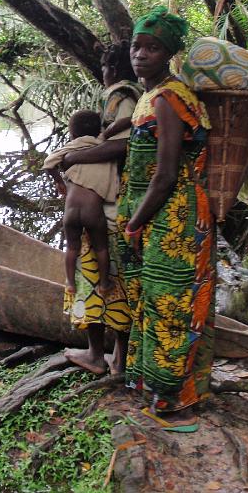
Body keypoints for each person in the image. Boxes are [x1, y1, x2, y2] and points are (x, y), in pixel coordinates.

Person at [117, 6, 215, 432]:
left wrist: (135, 222)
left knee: (171, 306)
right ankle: (155, 390)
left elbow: (166, 174)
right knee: (154, 304)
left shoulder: (170, 100)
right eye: (137, 45)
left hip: (175, 219)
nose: (140, 54)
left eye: (151, 47)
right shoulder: (149, 95)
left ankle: (178, 406)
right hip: (160, 217)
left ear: (168, 53)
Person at [56, 42, 142, 376]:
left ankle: (96, 355)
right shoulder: (136, 96)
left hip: (109, 207)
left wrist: (75, 157)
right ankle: (119, 358)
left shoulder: (120, 95)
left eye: (104, 66)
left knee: (90, 275)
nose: (102, 73)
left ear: (113, 69)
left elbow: (123, 144)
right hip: (118, 202)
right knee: (118, 280)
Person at [43, 109, 123, 309]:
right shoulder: (101, 145)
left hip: (70, 212)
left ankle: (70, 283)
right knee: (101, 247)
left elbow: (48, 163)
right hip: (92, 211)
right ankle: (104, 283)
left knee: (71, 247)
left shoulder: (71, 147)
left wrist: (59, 182)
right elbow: (117, 130)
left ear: (72, 133)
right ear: (99, 131)